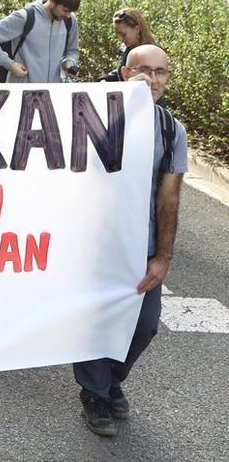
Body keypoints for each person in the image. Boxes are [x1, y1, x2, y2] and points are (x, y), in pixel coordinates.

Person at [72, 44, 185, 438]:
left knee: (145, 326)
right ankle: (94, 393)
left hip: (144, 247)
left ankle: (111, 380)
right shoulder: (95, 117)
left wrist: (164, 257)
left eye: (161, 72)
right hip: (96, 243)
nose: (153, 80)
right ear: (124, 73)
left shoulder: (171, 129)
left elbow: (169, 196)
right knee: (95, 319)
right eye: (144, 71)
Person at [0, 0, 81, 83]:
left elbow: (72, 51)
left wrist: (69, 63)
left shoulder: (70, 20)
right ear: (52, 1)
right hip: (23, 90)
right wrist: (9, 64)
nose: (68, 15)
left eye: (70, 12)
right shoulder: (25, 17)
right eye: (65, 10)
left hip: (52, 91)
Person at [99, 8, 155, 82]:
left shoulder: (152, 53)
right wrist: (105, 79)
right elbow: (122, 73)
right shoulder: (126, 50)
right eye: (118, 35)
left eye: (123, 34)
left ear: (137, 29)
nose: (121, 39)